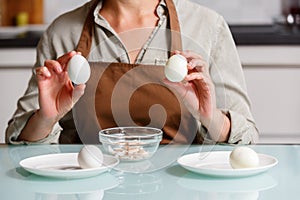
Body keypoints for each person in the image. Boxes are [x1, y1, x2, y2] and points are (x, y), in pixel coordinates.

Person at [5, 0, 259, 144]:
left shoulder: (208, 26)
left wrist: (209, 116)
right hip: (87, 190)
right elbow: (19, 143)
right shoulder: (63, 32)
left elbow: (247, 137)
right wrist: (46, 118)